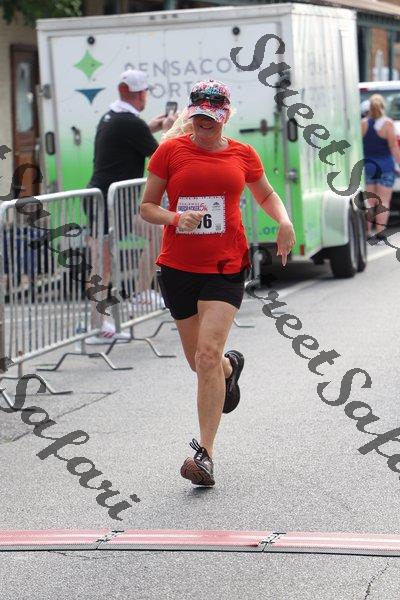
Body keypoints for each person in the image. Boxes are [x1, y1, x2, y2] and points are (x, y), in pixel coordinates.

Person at [139, 80, 295, 487]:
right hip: (178, 267)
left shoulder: (243, 154)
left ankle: (204, 455)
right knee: (200, 363)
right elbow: (147, 207)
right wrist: (175, 218)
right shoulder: (170, 151)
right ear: (191, 115)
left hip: (226, 266)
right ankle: (231, 368)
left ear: (225, 116)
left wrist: (284, 220)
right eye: (199, 116)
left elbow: (266, 194)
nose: (205, 122)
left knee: (206, 356)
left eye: (212, 116)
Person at [85, 69, 177, 344]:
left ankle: (140, 292)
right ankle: (97, 325)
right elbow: (161, 157)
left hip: (114, 200)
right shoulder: (131, 124)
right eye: (145, 92)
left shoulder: (112, 116)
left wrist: (150, 127)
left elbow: (127, 135)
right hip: (107, 202)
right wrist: (169, 130)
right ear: (140, 94)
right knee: (103, 262)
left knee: (155, 233)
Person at [361, 94, 400, 239]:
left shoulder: (363, 123)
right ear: (383, 107)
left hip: (368, 167)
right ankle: (379, 232)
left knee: (369, 200)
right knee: (383, 200)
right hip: (385, 167)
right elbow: (394, 148)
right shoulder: (388, 124)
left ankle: (367, 232)